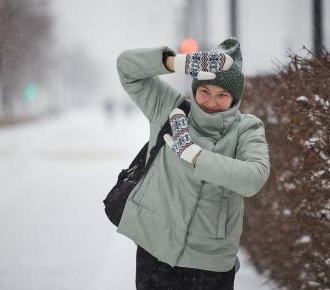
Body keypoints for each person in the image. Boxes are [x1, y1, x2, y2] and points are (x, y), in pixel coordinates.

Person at [116, 38, 270, 290]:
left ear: (235, 98)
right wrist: (174, 62)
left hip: (210, 263)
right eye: (205, 91)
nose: (211, 102)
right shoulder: (169, 107)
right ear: (195, 88)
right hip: (155, 252)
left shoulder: (247, 128)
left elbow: (254, 177)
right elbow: (126, 68)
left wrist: (196, 155)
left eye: (222, 95)